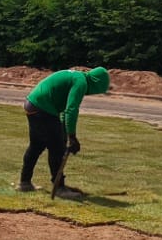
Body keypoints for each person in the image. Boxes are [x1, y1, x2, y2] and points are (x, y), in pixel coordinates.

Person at [18, 66, 110, 199]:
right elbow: (71, 110)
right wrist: (72, 136)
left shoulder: (77, 77)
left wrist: (65, 133)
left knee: (36, 146)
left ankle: (25, 183)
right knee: (56, 148)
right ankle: (60, 188)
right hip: (43, 108)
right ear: (97, 84)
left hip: (32, 104)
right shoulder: (81, 82)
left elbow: (62, 109)